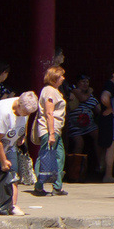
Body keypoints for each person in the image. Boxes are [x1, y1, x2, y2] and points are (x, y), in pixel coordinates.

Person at [33, 67, 67, 196]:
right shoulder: (49, 91)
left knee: (59, 156)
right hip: (49, 129)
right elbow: (49, 112)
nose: (63, 78)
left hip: (56, 129)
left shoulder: (54, 91)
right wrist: (51, 133)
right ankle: (39, 185)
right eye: (60, 76)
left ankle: (57, 186)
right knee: (45, 156)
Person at [65, 75, 98, 173]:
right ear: (78, 83)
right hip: (75, 124)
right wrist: (90, 91)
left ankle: (100, 164)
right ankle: (74, 168)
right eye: (83, 82)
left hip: (88, 124)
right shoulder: (74, 91)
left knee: (97, 135)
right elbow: (83, 98)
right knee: (79, 143)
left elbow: (97, 107)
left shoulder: (90, 95)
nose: (85, 84)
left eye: (87, 82)